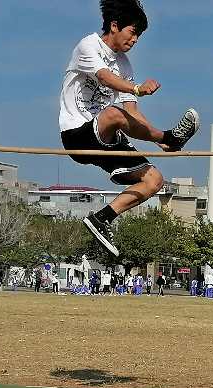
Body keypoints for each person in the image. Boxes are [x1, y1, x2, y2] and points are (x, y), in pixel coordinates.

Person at [60, 0, 200, 257]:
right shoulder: (88, 46)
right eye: (132, 32)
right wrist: (136, 89)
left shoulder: (125, 65)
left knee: (154, 180)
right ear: (115, 26)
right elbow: (104, 77)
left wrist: (156, 140)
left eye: (139, 36)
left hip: (107, 135)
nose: (135, 40)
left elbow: (133, 114)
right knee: (114, 114)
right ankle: (172, 137)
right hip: (77, 136)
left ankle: (102, 218)